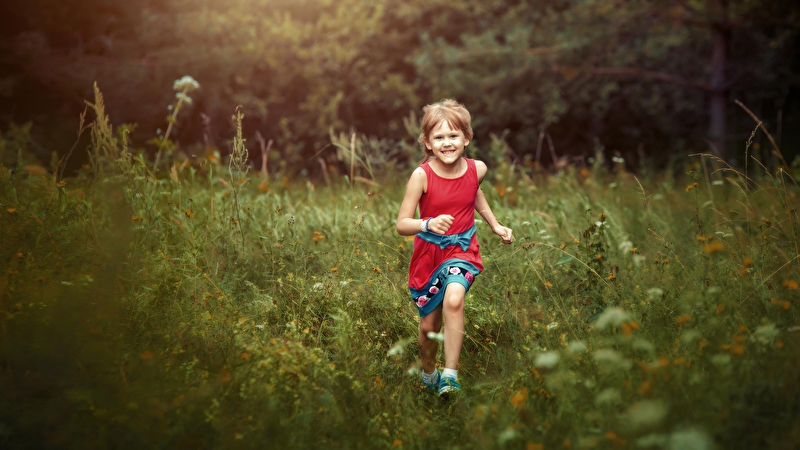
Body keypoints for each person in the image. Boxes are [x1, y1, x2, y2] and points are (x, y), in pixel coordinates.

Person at [396, 99, 513, 397]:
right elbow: (402, 223)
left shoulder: (478, 169)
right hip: (428, 256)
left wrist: (495, 225)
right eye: (439, 137)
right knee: (428, 328)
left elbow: (475, 193)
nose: (447, 143)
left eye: (453, 136)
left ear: (466, 138)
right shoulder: (421, 175)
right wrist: (427, 224)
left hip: (462, 249)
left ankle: (450, 375)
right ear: (427, 142)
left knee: (455, 298)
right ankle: (429, 372)